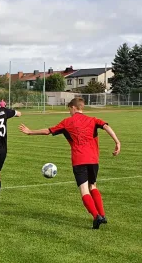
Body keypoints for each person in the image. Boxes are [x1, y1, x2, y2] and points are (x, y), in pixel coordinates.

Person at [19, 97, 121, 229]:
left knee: (84, 190)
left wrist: (30, 132)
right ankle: (102, 215)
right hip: (93, 159)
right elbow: (106, 126)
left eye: (69, 109)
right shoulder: (93, 120)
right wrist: (117, 142)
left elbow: (48, 131)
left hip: (79, 160)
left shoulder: (67, 122)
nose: (69, 112)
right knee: (93, 186)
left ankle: (96, 217)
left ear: (73, 107)